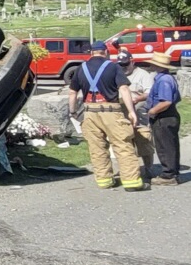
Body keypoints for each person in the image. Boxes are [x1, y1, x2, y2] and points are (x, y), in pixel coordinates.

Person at [68, 41, 148, 191]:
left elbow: (72, 92)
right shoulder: (113, 67)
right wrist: (131, 111)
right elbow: (124, 89)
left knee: (97, 147)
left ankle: (104, 180)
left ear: (91, 53)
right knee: (122, 145)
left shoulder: (81, 68)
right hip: (111, 111)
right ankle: (131, 182)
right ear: (105, 52)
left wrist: (72, 112)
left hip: (89, 112)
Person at [145, 52, 182, 186]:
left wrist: (152, 111)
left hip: (163, 116)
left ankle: (168, 175)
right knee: (170, 145)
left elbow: (166, 102)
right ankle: (173, 172)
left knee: (164, 146)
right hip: (168, 115)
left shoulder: (164, 80)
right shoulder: (165, 78)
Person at [118, 50, 156, 179]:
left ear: (132, 62)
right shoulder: (117, 73)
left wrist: (137, 98)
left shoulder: (143, 74)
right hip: (122, 115)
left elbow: (150, 92)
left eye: (126, 64)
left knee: (144, 141)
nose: (123, 68)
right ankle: (129, 171)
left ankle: (149, 168)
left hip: (140, 114)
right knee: (124, 144)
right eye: (121, 65)